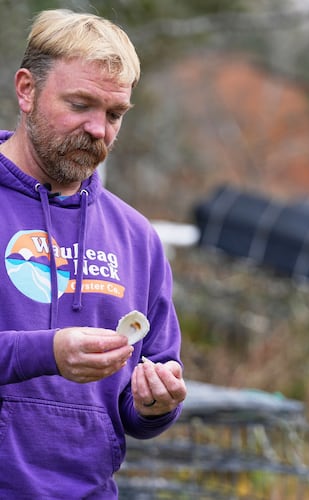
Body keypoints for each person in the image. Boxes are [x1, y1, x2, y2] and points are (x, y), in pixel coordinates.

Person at [0, 9, 187, 498]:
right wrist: (46, 352)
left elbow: (138, 399)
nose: (99, 130)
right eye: (80, 104)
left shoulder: (136, 236)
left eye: (114, 114)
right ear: (26, 90)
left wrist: (155, 404)